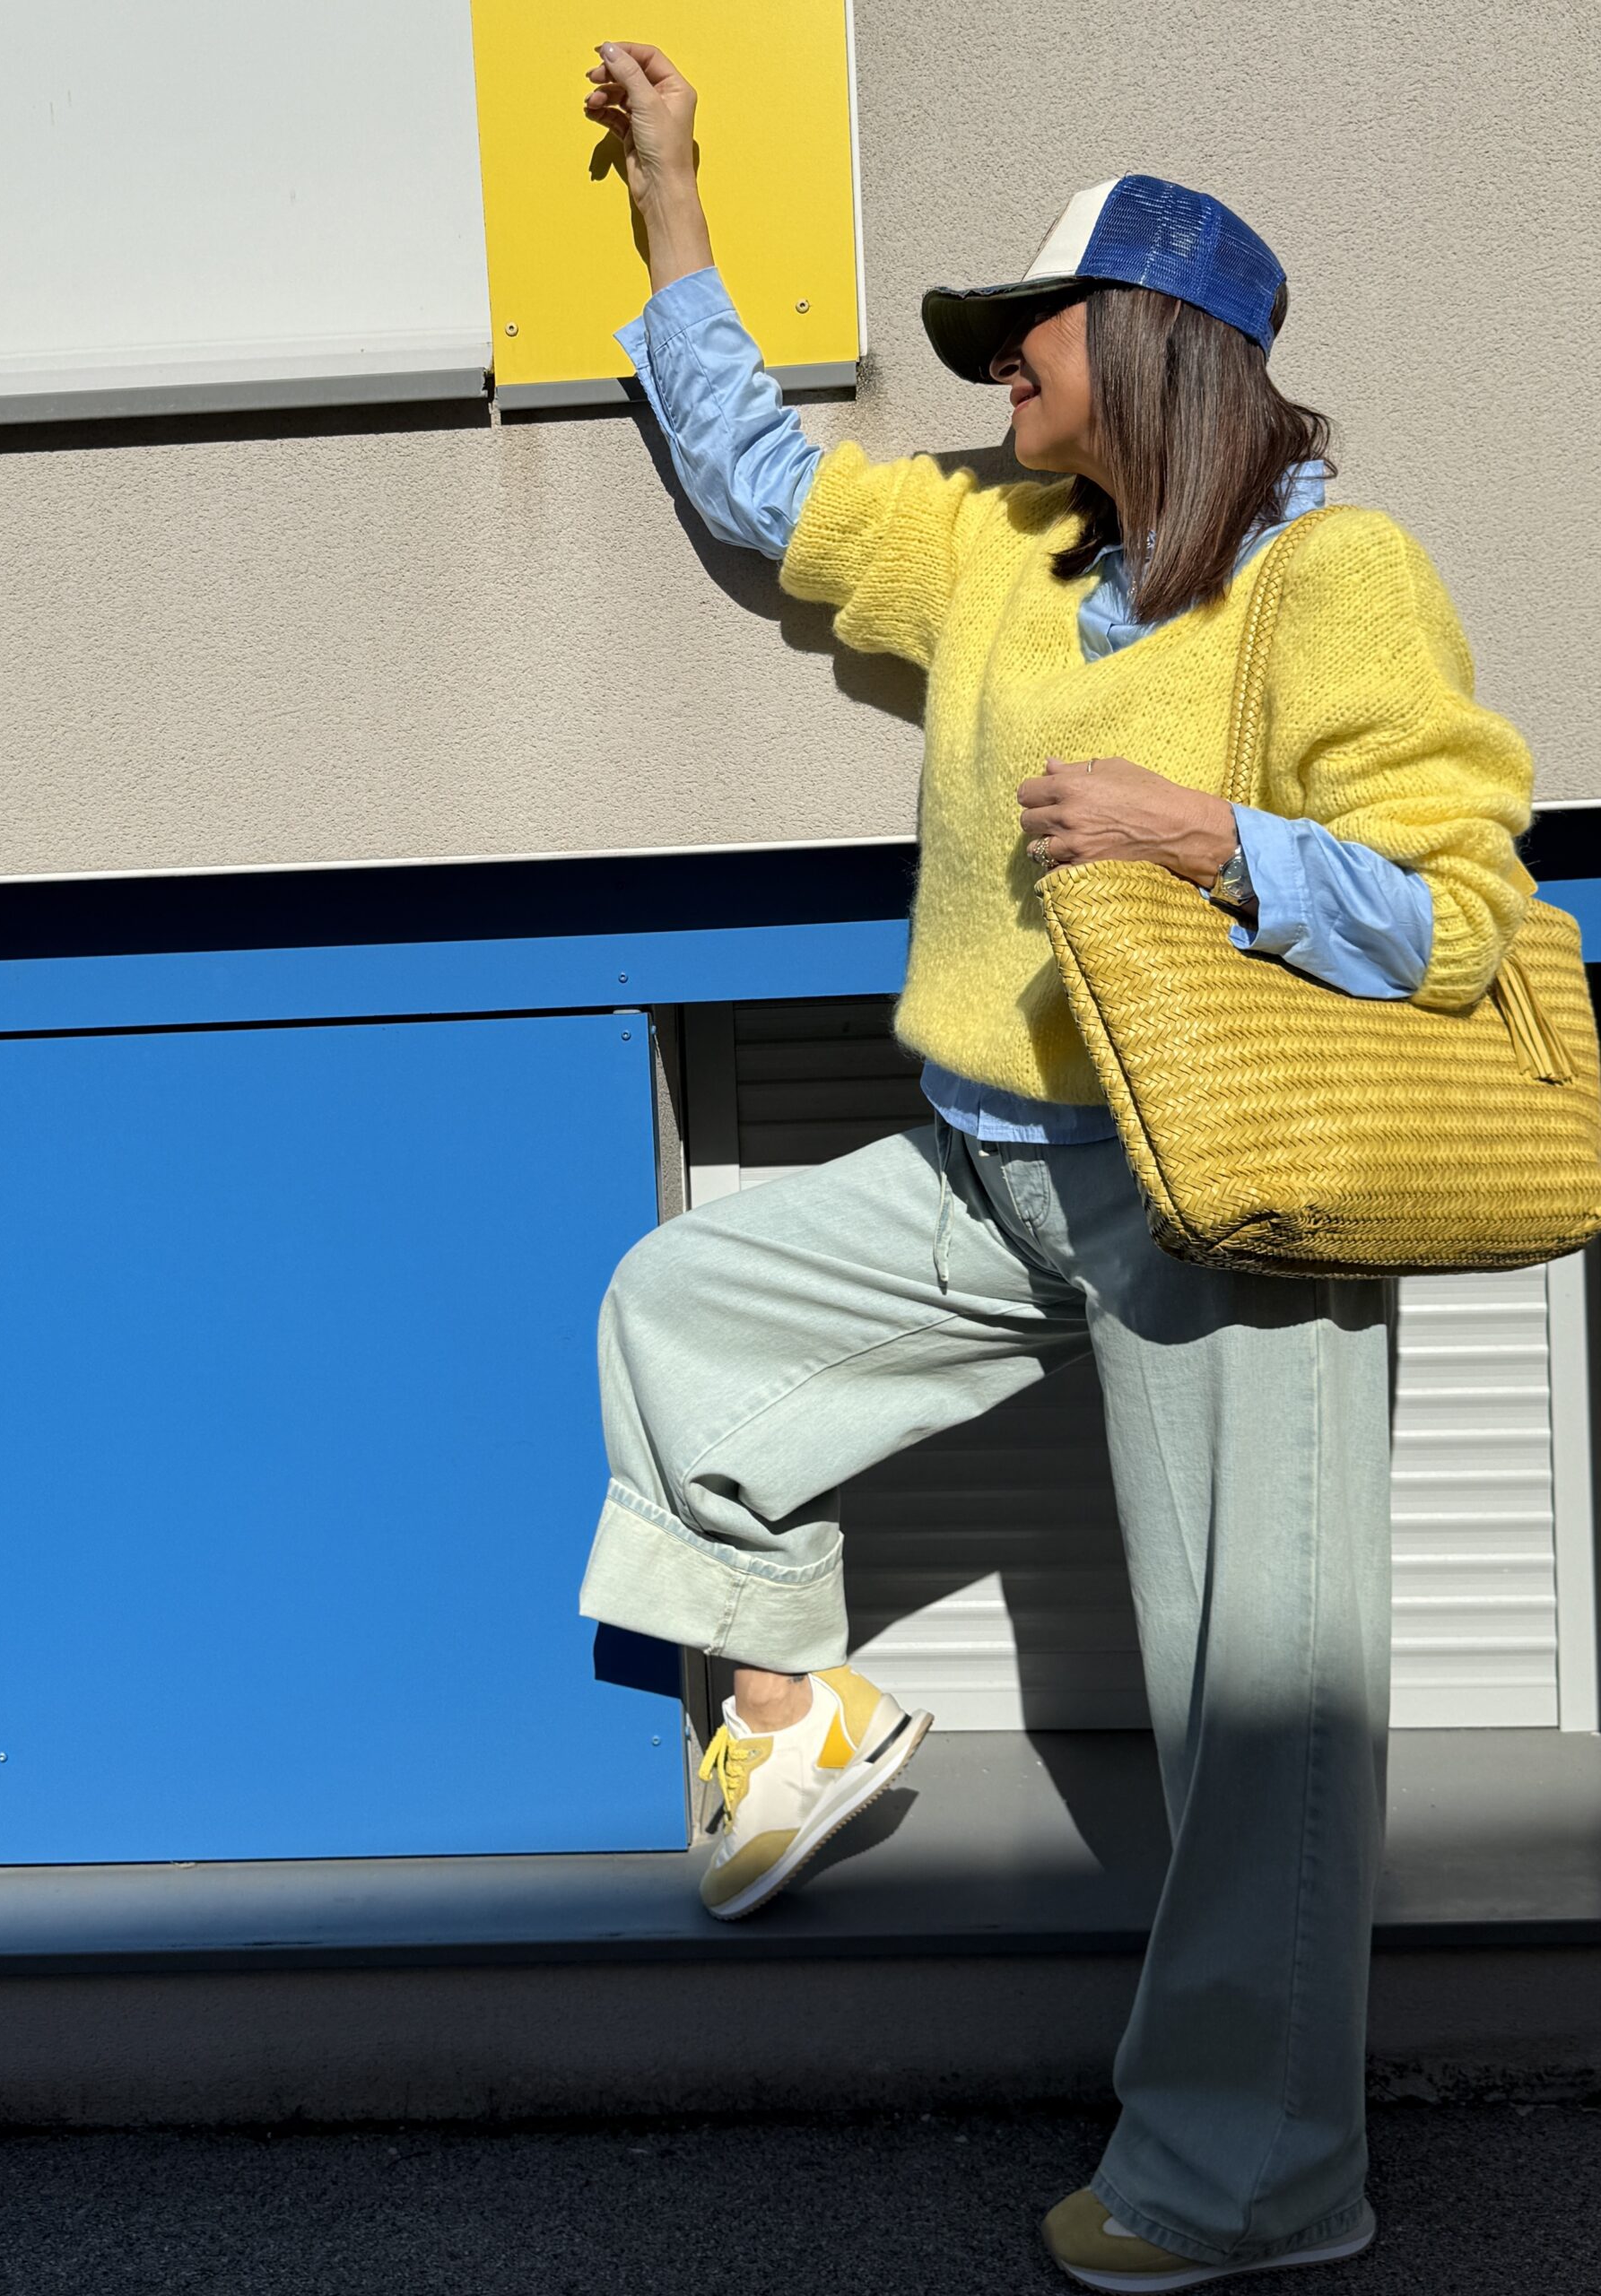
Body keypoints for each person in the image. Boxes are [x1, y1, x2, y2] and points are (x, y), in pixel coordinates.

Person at [572, 39, 1535, 2292]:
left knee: (1257, 1722)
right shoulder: (996, 543)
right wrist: (675, 199)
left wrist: (1215, 839)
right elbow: (760, 487)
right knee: (681, 1307)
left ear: (1159, 347)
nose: (998, 360)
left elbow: (1468, 915)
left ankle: (1252, 2180)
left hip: (1226, 1204)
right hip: (993, 1163)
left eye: (1034, 326)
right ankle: (792, 1701)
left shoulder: (1333, 578)